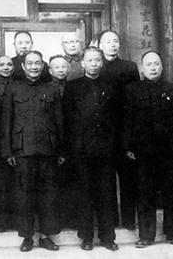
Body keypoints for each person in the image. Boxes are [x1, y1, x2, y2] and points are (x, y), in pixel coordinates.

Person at [123, 51, 173, 248]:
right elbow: (127, 120)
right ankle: (146, 235)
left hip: (168, 150)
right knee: (145, 193)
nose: (153, 68)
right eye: (148, 64)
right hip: (143, 151)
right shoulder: (132, 90)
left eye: (156, 64)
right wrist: (127, 146)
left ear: (161, 67)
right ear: (142, 68)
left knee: (172, 193)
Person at [2, 51, 63, 252]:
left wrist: (61, 150)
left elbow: (59, 121)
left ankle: (46, 236)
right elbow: (7, 121)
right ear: (23, 66)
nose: (34, 67)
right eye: (30, 63)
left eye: (37, 63)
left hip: (48, 149)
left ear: (43, 65)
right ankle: (27, 236)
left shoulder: (52, 89)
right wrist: (8, 151)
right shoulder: (13, 88)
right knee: (24, 196)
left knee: (48, 195)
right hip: (22, 149)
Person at [62, 46, 119, 251]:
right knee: (84, 194)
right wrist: (71, 148)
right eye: (90, 60)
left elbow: (118, 117)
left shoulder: (111, 85)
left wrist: (113, 143)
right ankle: (86, 237)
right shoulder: (72, 87)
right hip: (81, 150)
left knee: (106, 193)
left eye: (97, 60)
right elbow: (67, 120)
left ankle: (107, 237)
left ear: (101, 63)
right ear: (82, 63)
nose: (94, 64)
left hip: (105, 149)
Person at [99, 30, 140, 229]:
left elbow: (135, 98)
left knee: (128, 178)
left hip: (124, 128)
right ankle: (111, 220)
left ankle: (129, 219)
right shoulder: (96, 65)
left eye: (115, 41)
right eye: (108, 42)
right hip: (103, 131)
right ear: (100, 45)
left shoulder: (129, 67)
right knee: (106, 180)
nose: (113, 45)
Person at [48, 54, 76, 228]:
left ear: (69, 69)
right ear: (50, 70)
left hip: (73, 140)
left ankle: (71, 219)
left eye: (63, 67)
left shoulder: (75, 87)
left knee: (72, 182)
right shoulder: (46, 88)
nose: (60, 70)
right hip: (53, 141)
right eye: (56, 67)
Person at [0, 55, 15, 232]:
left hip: (18, 139)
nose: (6, 67)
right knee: (0, 182)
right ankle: (1, 221)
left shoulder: (20, 85)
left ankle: (16, 218)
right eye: (2, 65)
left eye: (9, 64)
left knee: (17, 182)